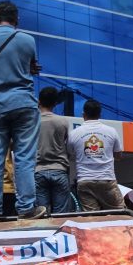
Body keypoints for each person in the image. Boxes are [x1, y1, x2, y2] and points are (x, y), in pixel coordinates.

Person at [0, 0, 45, 222]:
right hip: (23, 104)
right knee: (24, 158)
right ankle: (26, 208)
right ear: (17, 20)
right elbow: (30, 66)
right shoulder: (28, 40)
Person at [68, 100, 124, 211]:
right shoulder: (111, 131)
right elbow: (118, 156)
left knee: (92, 217)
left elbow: (70, 154)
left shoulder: (73, 134)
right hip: (107, 180)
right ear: (99, 115)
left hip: (84, 181)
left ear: (83, 114)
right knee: (118, 214)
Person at [35, 86, 72, 214]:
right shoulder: (63, 121)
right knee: (61, 216)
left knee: (41, 214)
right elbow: (67, 144)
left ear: (39, 101)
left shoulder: (32, 122)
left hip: (38, 171)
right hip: (59, 170)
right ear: (55, 103)